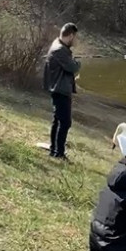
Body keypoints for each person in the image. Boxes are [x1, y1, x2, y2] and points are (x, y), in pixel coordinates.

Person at [43, 23, 80, 160]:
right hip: (60, 90)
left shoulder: (58, 45)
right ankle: (59, 153)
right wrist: (77, 63)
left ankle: (54, 150)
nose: (76, 40)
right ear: (70, 36)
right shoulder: (60, 50)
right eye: (75, 37)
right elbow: (72, 67)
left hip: (58, 88)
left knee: (58, 120)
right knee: (64, 122)